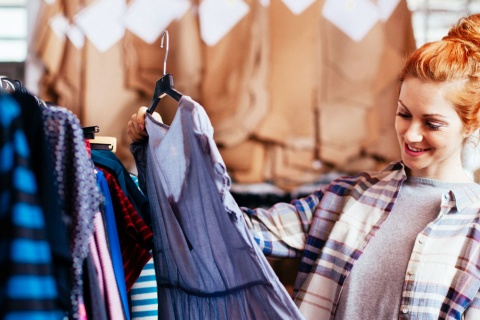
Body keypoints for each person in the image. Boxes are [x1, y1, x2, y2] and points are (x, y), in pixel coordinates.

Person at [127, 14, 480, 320]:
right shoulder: (349, 197)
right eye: (403, 114)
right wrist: (162, 154)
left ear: (471, 124)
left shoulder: (475, 230)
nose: (411, 133)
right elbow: (232, 230)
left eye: (432, 124)